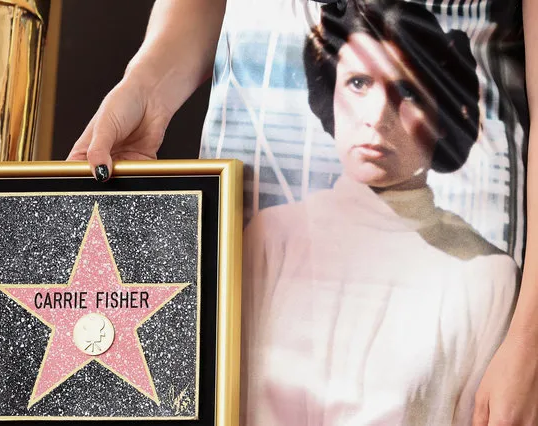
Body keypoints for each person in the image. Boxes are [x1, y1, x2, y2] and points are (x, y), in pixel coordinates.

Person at [68, 0, 538, 424]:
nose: (377, 115)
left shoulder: (482, 278)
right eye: (357, 83)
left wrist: (529, 343)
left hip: (473, 245)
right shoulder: (272, 236)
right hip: (246, 214)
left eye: (408, 92)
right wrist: (148, 85)